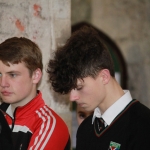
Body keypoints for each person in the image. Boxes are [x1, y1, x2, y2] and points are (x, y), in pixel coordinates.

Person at [47, 26, 150, 150]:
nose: (73, 97)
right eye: (70, 90)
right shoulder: (85, 129)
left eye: (79, 87)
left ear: (104, 76)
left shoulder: (144, 125)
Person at [0, 37, 70, 150]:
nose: (3, 83)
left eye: (13, 75)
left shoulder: (49, 125)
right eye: (0, 75)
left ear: (35, 76)